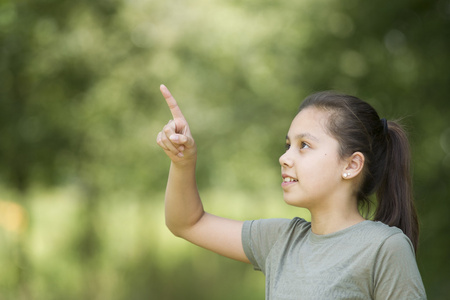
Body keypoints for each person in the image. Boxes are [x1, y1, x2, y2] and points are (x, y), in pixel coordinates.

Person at [156, 84, 426, 299]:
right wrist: (183, 162)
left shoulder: (384, 248)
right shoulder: (280, 241)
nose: (284, 158)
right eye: (287, 145)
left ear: (351, 164)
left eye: (304, 145)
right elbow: (186, 222)